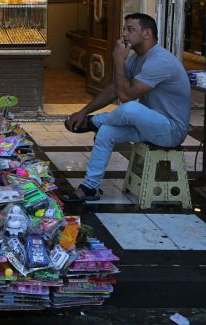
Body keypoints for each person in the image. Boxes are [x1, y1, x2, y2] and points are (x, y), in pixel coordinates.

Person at [62, 13, 191, 203]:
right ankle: (89, 187)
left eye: (130, 29)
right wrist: (84, 111)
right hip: (149, 126)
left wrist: (118, 61)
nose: (124, 34)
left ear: (147, 33)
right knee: (106, 132)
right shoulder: (137, 58)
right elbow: (116, 89)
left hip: (170, 130)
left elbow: (125, 96)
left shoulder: (160, 60)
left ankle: (94, 122)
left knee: (130, 108)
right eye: (124, 29)